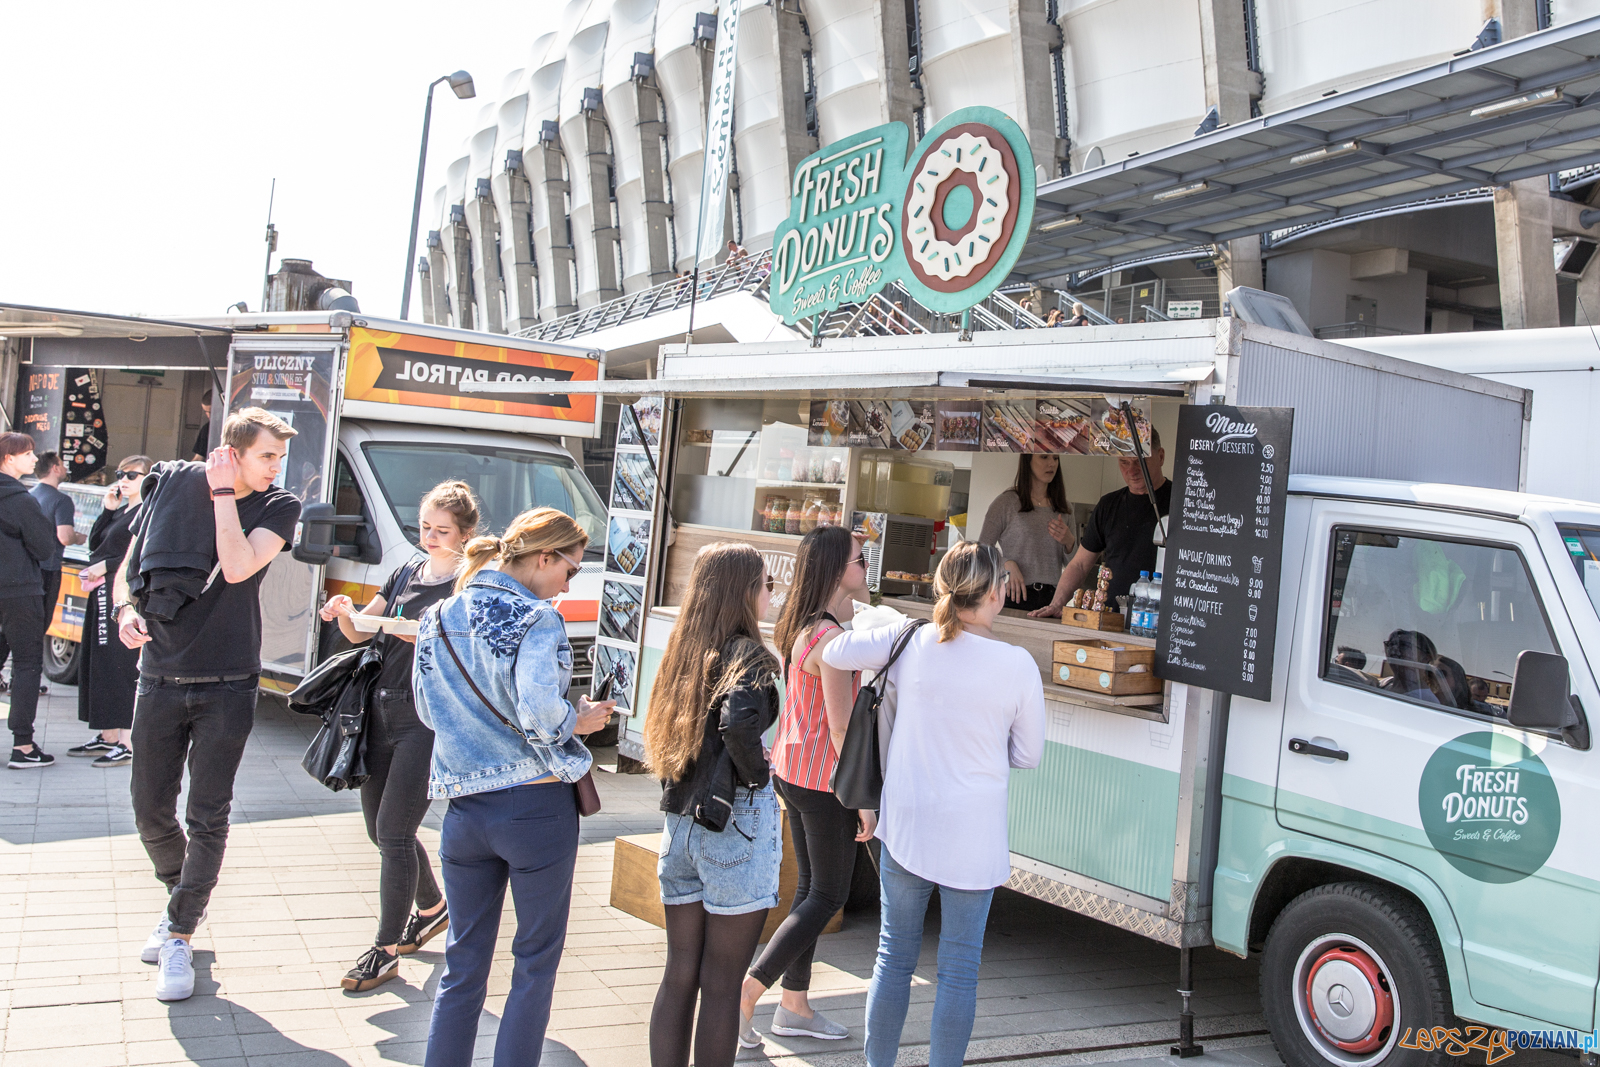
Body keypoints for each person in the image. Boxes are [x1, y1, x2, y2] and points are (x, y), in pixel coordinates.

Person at [822, 541, 1045, 1067]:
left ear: (942, 589)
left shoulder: (911, 640)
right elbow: (1028, 755)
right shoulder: (1017, 665)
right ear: (996, 594)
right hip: (975, 836)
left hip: (907, 826)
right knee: (960, 969)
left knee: (893, 958)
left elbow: (831, 651)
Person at [413, 507, 614, 1067]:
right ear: (544, 557)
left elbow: (428, 712)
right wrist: (580, 718)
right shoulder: (537, 618)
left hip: (463, 810)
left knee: (463, 962)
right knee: (534, 961)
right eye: (570, 569)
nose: (568, 583)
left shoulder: (438, 615)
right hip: (536, 807)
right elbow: (542, 717)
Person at [114, 407, 302, 1001]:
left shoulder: (278, 506)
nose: (277, 467)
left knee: (208, 813)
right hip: (160, 674)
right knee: (149, 809)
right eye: (268, 456)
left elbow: (241, 565)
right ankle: (183, 898)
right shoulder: (171, 485)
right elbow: (128, 566)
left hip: (228, 680)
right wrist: (125, 610)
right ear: (234, 450)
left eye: (280, 457)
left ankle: (179, 930)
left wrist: (225, 495)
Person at [319, 481, 480, 992]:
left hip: (427, 720)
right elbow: (363, 631)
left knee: (392, 833)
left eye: (441, 531)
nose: (429, 538)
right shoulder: (407, 570)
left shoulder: (471, 581)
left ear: (467, 534)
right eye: (425, 528)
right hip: (380, 711)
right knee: (382, 832)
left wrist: (391, 623)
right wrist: (346, 612)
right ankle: (433, 907)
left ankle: (385, 951)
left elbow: (441, 635)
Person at [646, 542, 782, 1067]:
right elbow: (737, 723)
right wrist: (758, 775)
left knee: (680, 973)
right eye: (765, 584)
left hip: (679, 825)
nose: (771, 594)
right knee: (722, 984)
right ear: (744, 593)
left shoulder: (684, 648)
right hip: (734, 826)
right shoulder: (747, 654)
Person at [742, 526, 872, 1042]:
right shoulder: (834, 640)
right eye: (861, 560)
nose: (867, 568)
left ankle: (794, 1006)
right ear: (839, 569)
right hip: (823, 781)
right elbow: (840, 728)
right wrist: (862, 798)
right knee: (828, 894)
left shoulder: (806, 626)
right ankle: (748, 993)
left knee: (811, 891)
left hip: (793, 770)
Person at [68, 455, 152, 766]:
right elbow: (95, 543)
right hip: (101, 591)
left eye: (132, 474)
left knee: (120, 664)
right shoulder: (122, 509)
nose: (124, 479)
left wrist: (105, 565)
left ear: (146, 478)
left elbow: (138, 556)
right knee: (99, 660)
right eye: (120, 473)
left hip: (122, 595)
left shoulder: (146, 511)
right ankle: (108, 735)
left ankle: (127, 741)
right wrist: (107, 509)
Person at [1031, 428, 1170, 616]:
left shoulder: (1181, 503)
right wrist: (1057, 604)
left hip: (1161, 618)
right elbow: (1079, 565)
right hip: (1111, 617)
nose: (1131, 470)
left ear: (1160, 457)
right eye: (1124, 462)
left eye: (1140, 462)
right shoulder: (1108, 505)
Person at [0, 450, 84, 700]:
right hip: (41, 573)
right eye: (27, 453)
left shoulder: (29, 494)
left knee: (9, 634)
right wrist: (83, 537)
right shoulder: (58, 500)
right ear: (56, 468)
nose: (33, 458)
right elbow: (63, 537)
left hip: (20, 576)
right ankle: (22, 689)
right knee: (31, 642)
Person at [0, 434, 60, 768]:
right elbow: (44, 547)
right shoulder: (20, 500)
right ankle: (22, 746)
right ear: (9, 459)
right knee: (25, 663)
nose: (34, 459)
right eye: (28, 454)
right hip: (19, 589)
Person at [980, 454, 1075, 612]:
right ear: (1027, 461)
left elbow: (1074, 566)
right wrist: (1006, 564)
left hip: (1052, 601)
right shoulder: (1006, 503)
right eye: (1044, 457)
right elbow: (980, 552)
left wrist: (1069, 542)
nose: (1051, 463)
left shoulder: (1065, 508)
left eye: (1056, 458)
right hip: (1014, 595)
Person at [1379, 629, 1439, 703]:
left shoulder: (1424, 700)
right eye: (1390, 644)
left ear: (1426, 658)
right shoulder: (1386, 683)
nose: (1394, 649)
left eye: (1403, 645)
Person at [189, 391, 213, 461]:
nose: (208, 415)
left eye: (211, 412)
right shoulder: (207, 429)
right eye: (206, 412)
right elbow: (199, 457)